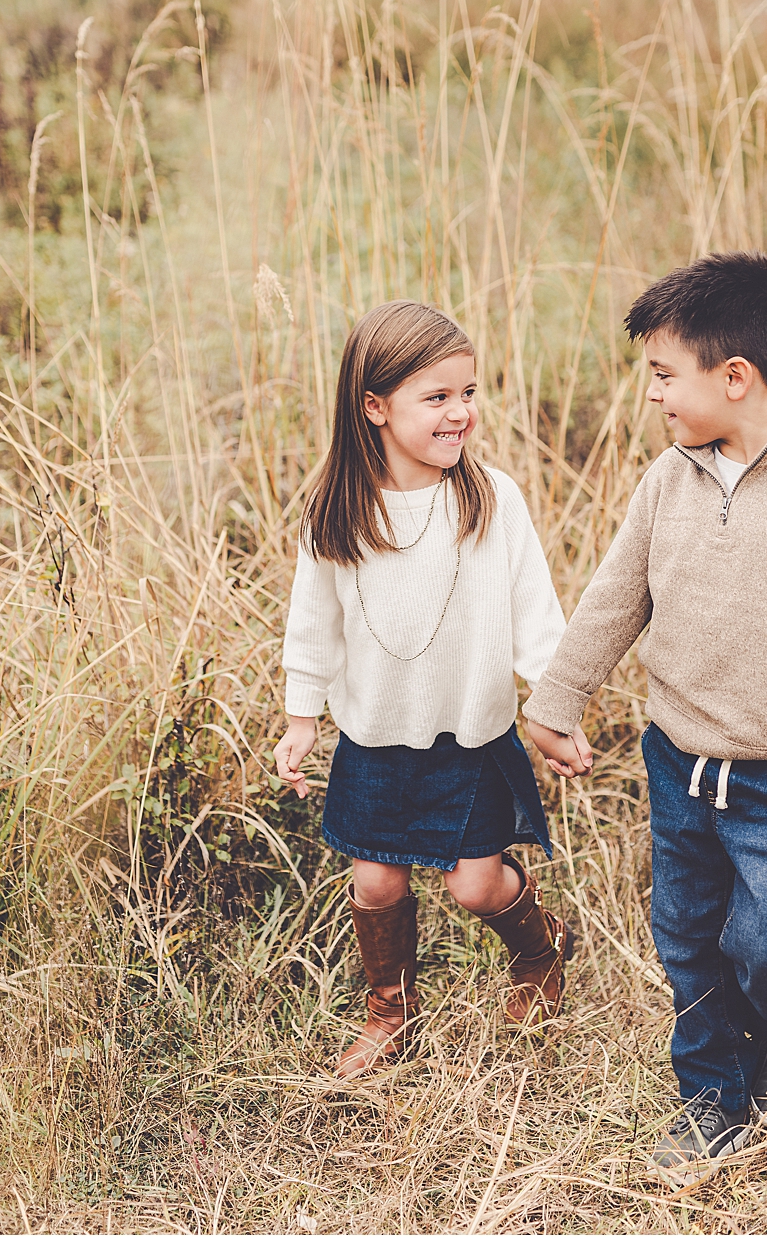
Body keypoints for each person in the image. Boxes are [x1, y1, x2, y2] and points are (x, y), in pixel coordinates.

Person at [523, 252, 767, 1186]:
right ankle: (710, 1094)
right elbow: (618, 595)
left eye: (664, 375)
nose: (652, 394)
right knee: (687, 935)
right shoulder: (669, 480)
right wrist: (559, 696)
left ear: (734, 376)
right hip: (679, 764)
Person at [274, 300, 572, 1078]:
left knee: (475, 884)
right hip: (375, 737)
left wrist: (555, 702)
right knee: (374, 878)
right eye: (435, 398)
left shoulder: (491, 500)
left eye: (467, 393)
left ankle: (540, 951)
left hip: (469, 735)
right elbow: (313, 623)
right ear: (374, 406)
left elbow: (535, 611)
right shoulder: (337, 511)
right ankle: (390, 1012)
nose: (460, 413)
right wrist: (302, 714)